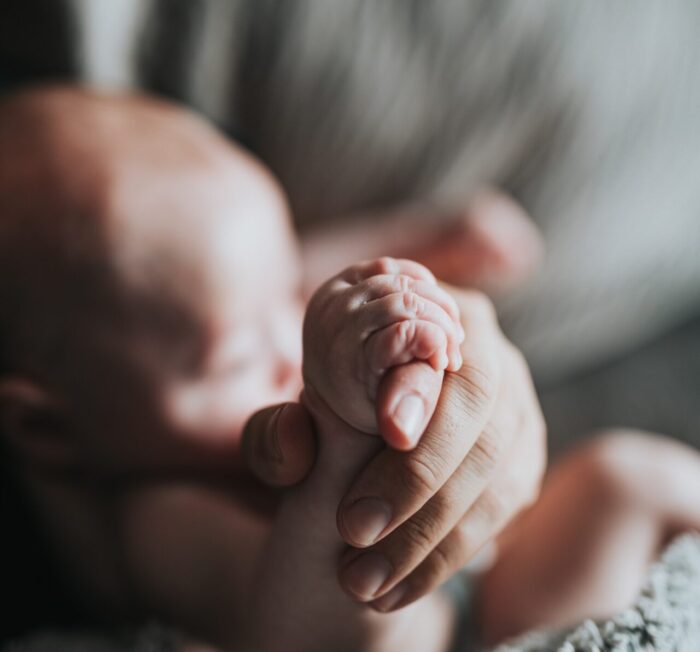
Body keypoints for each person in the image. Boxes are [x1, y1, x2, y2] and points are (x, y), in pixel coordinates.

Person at [2, 87, 699, 652]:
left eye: (288, 296)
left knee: (628, 474)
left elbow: (286, 281)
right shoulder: (161, 520)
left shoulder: (216, 305)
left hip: (502, 594)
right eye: (239, 356)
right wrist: (344, 429)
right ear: (47, 427)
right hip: (435, 637)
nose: (290, 347)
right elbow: (324, 637)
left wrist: (433, 241)